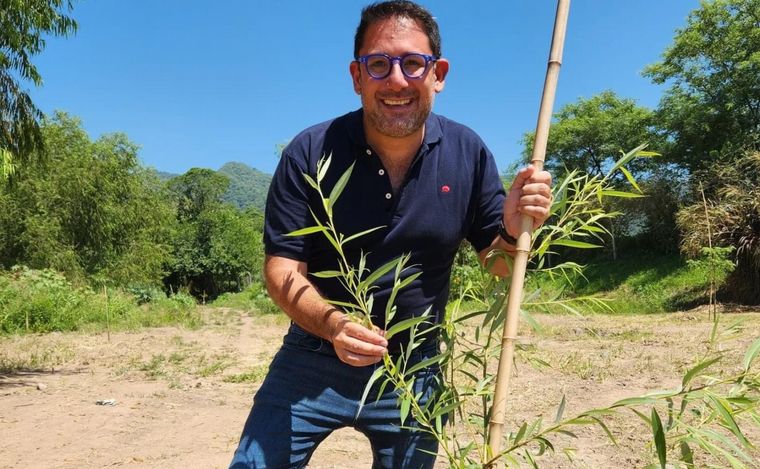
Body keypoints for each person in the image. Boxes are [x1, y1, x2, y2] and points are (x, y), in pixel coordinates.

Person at [229, 1, 552, 467]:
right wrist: (335, 325)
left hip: (415, 366)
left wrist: (517, 228)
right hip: (311, 352)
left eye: (413, 63)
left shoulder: (468, 153)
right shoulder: (309, 152)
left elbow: (500, 266)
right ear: (357, 77)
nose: (396, 80)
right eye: (378, 64)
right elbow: (282, 269)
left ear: (437, 73)